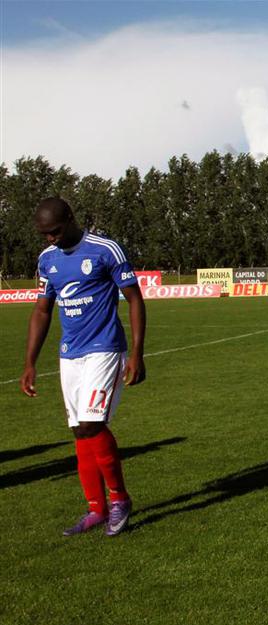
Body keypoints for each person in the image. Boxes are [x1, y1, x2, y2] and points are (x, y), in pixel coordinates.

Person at [20, 197, 146, 537]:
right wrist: (30, 362)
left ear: (71, 219)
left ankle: (120, 499)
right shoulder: (47, 260)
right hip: (69, 354)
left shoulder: (105, 250)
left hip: (104, 348)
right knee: (79, 430)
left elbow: (134, 298)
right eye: (45, 234)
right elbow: (42, 310)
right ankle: (96, 509)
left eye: (55, 231)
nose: (51, 239)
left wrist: (137, 353)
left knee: (92, 423)